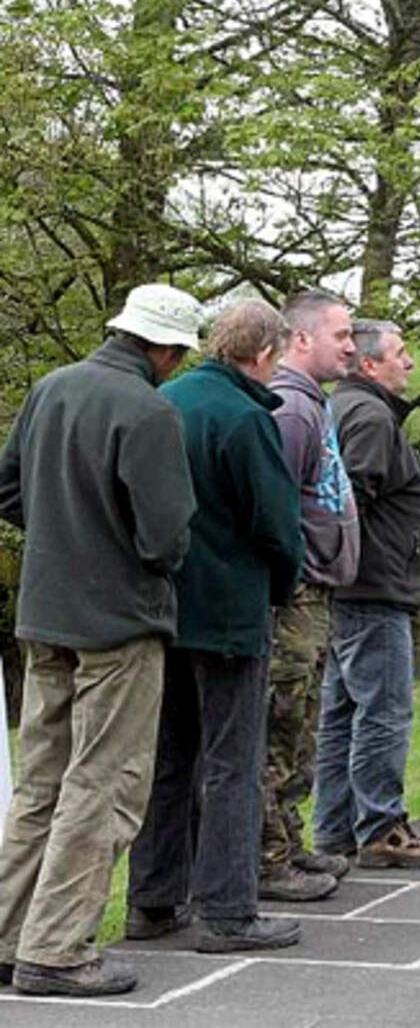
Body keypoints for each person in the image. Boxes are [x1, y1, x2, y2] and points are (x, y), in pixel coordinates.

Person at [0, 285, 200, 997]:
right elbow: (165, 536)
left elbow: (7, 489)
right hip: (119, 621)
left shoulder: (51, 388)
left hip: (45, 613)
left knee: (41, 785)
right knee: (103, 783)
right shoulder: (148, 410)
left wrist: (67, 537)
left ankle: (9, 934)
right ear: (167, 349)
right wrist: (112, 549)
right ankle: (55, 949)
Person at [127, 299, 305, 955]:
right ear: (265, 353)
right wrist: (282, 587)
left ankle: (152, 898)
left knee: (169, 757)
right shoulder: (246, 417)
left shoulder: (164, 402)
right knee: (233, 761)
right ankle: (229, 909)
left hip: (161, 605)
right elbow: (276, 522)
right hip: (230, 609)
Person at [316, 320, 420, 867]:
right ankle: (381, 828)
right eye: (400, 353)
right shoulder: (370, 417)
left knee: (341, 713)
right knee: (384, 712)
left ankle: (333, 829)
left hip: (351, 589)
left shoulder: (341, 408)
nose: (411, 363)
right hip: (373, 589)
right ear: (369, 364)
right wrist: (356, 566)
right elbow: (351, 500)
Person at [261, 290, 360, 902]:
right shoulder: (292, 409)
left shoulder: (312, 404)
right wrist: (299, 567)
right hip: (294, 596)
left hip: (315, 591)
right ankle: (269, 859)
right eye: (340, 335)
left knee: (302, 727)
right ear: (301, 339)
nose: (351, 346)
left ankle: (290, 842)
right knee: (283, 719)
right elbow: (277, 507)